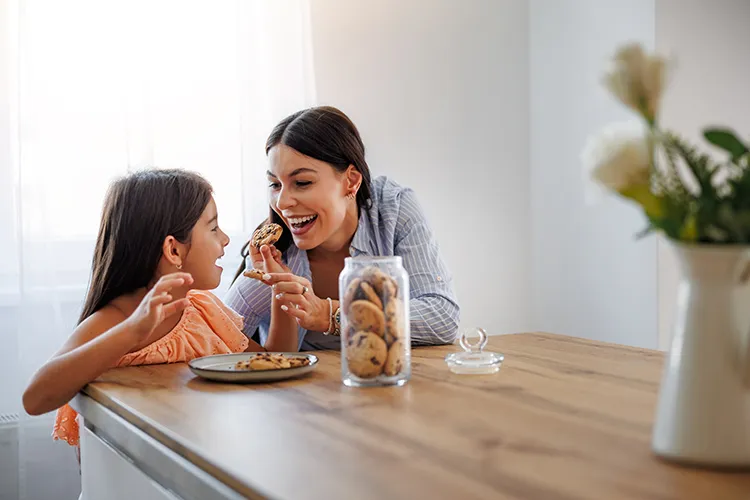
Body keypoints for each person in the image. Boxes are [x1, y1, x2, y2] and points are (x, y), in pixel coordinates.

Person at [22, 169, 295, 447]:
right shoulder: (116, 320)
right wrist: (131, 332)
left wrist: (279, 287)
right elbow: (34, 399)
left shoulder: (203, 310)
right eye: (213, 228)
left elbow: (272, 363)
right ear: (173, 250)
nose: (225, 239)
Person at [225, 106, 459, 350]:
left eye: (302, 182)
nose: (282, 203)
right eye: (275, 184)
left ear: (351, 181)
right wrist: (270, 285)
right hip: (308, 387)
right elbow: (219, 337)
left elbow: (442, 317)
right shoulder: (273, 251)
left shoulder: (392, 210)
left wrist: (330, 315)